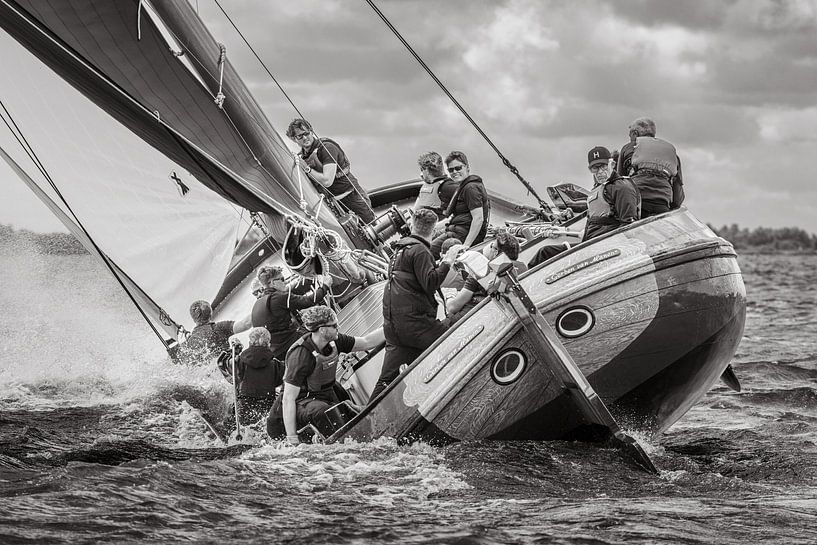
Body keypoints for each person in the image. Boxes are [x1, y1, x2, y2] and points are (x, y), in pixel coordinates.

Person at [370, 208, 459, 401]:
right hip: (416, 326)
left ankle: (367, 413)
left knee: (386, 380)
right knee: (455, 335)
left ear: (412, 225)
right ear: (433, 230)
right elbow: (430, 282)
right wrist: (448, 261)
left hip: (394, 326)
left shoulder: (399, 250)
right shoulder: (420, 251)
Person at [266, 306, 385, 444]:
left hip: (322, 394)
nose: (338, 327)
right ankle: (344, 442)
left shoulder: (335, 340)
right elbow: (288, 399)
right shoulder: (301, 355)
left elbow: (366, 342)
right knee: (323, 411)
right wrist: (292, 438)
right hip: (297, 405)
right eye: (334, 325)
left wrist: (392, 326)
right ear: (322, 330)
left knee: (338, 391)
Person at [528, 146, 641, 268]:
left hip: (605, 250)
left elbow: (629, 226)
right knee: (544, 253)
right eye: (595, 168)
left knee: (544, 254)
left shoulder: (622, 188)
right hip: (589, 245)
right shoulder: (597, 190)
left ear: (612, 164)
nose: (600, 172)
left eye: (603, 166)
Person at [286, 118, 375, 223]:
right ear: (294, 139)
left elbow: (327, 181)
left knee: (371, 228)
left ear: (311, 131)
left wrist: (307, 168)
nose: (305, 138)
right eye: (300, 136)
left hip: (352, 198)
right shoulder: (301, 158)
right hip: (331, 206)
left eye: (306, 133)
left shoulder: (327, 148)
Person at [251, 265, 333, 359]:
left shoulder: (257, 304)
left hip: (276, 352)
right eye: (282, 279)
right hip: (290, 344)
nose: (285, 282)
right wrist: (325, 286)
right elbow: (309, 301)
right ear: (273, 283)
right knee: (323, 330)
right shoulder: (279, 297)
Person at [445, 230, 527, 324]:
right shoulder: (523, 267)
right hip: (505, 315)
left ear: (495, 252)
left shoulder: (481, 271)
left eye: (491, 245)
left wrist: (448, 294)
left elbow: (453, 307)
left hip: (474, 319)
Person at [616, 117, 684, 218]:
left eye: (630, 135)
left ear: (635, 134)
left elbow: (619, 183)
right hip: (662, 205)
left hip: (637, 204)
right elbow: (678, 197)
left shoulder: (628, 148)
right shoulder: (673, 155)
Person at [429, 151, 491, 259]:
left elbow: (478, 218)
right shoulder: (463, 186)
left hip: (460, 236)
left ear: (467, 167)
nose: (454, 172)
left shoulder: (471, 188)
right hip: (455, 230)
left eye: (458, 168)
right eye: (451, 170)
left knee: (426, 252)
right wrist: (432, 228)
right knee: (426, 240)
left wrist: (466, 246)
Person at [235, 327, 284, 425]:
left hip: (244, 407)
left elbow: (228, 370)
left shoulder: (239, 361)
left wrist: (235, 351)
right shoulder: (277, 365)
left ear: (250, 343)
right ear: (269, 344)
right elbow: (281, 381)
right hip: (267, 407)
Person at [182, 300, 252, 365]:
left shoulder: (190, 341)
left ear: (193, 318)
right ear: (211, 313)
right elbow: (245, 324)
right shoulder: (219, 328)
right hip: (227, 368)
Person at [413, 151, 457, 217]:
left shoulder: (448, 187)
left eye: (422, 170)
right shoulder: (428, 188)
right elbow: (416, 211)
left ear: (426, 171)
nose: (421, 174)